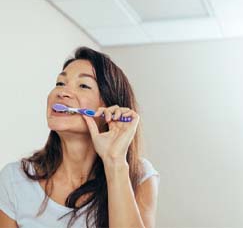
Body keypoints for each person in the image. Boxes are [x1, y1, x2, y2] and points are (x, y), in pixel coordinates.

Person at [0, 46, 160, 228]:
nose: (62, 92)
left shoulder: (139, 176)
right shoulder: (14, 179)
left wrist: (114, 162)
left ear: (108, 108)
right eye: (60, 83)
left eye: (83, 85)